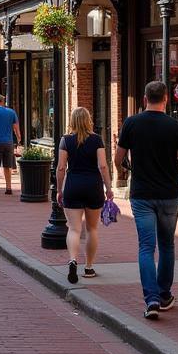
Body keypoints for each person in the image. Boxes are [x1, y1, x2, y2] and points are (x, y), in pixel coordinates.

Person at [114, 80, 178, 320]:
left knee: (146, 247)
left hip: (142, 194)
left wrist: (124, 170)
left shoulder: (131, 123)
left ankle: (151, 299)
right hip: (169, 193)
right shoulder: (175, 126)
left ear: (145, 99)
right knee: (167, 245)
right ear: (166, 99)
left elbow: (118, 158)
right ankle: (164, 293)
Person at [57, 107, 113, 283]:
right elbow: (103, 166)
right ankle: (89, 267)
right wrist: (109, 188)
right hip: (93, 186)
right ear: (88, 120)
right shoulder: (97, 140)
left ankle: (73, 260)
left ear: (72, 121)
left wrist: (59, 189)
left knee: (74, 229)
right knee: (92, 229)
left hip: (73, 185)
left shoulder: (65, 141)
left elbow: (60, 168)